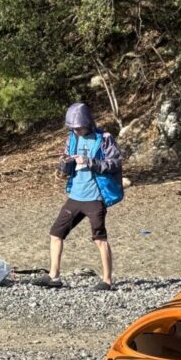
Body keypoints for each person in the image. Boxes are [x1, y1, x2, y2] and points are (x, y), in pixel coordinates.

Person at [38, 103, 123, 291]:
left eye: (78, 127)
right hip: (75, 195)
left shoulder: (104, 139)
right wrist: (65, 163)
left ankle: (107, 281)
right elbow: (67, 167)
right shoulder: (72, 138)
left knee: (99, 239)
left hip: (95, 198)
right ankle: (54, 276)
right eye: (72, 128)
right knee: (56, 234)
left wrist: (90, 162)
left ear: (87, 123)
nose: (76, 131)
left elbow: (115, 163)